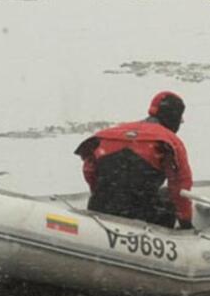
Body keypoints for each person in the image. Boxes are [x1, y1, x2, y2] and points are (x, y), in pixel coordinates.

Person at [75, 91, 193, 229]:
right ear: (174, 117)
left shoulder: (109, 133)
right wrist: (186, 224)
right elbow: (180, 186)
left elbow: (89, 171)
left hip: (101, 207)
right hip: (142, 214)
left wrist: (104, 194)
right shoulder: (169, 141)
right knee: (167, 196)